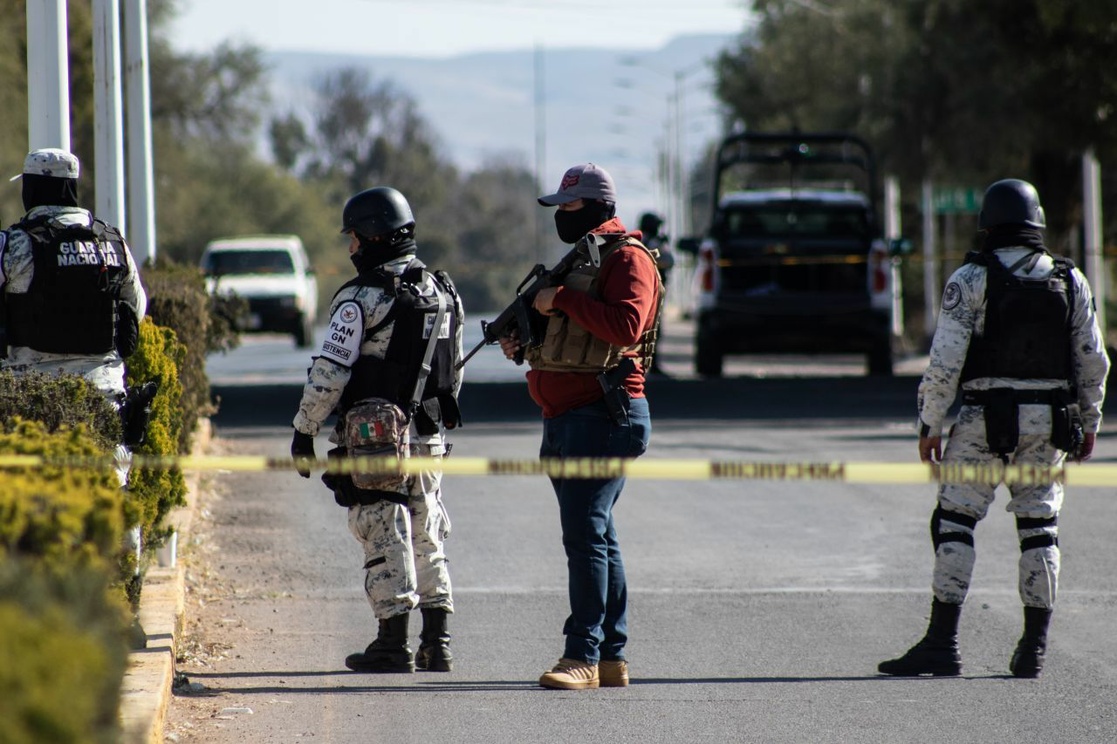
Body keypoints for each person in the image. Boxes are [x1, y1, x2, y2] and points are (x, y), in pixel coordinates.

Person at [878, 178, 1109, 679]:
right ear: (1037, 223)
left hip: (984, 420)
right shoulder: (1072, 281)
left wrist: (930, 424)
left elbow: (944, 363)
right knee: (1040, 531)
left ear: (989, 222)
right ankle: (1034, 649)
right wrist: (1089, 422)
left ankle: (942, 644)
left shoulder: (971, 278)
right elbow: (1093, 361)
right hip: (1049, 426)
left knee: (955, 522)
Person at [498, 163, 663, 690]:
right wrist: (525, 341)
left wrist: (561, 299)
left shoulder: (628, 259)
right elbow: (566, 334)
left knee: (585, 535)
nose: (562, 218)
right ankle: (612, 658)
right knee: (598, 536)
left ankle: (583, 655)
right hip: (566, 417)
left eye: (569, 208)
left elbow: (627, 325)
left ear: (597, 207)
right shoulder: (579, 261)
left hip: (604, 415)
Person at [290, 186, 464, 674]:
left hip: (374, 440)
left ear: (372, 236)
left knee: (384, 533)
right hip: (427, 434)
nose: (351, 250)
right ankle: (438, 641)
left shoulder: (358, 298)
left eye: (354, 239)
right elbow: (452, 372)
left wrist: (304, 429)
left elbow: (330, 371)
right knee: (427, 529)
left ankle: (392, 643)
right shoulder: (444, 290)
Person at [0, 147, 147, 488]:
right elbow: (135, 310)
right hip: (103, 395)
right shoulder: (113, 243)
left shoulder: (14, 245)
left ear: (32, 189)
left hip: (29, 397)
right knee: (111, 500)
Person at [638, 212, 674, 376]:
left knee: (651, 329)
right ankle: (645, 364)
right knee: (649, 329)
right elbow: (667, 261)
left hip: (649, 291)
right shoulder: (648, 241)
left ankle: (650, 363)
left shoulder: (642, 240)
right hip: (648, 291)